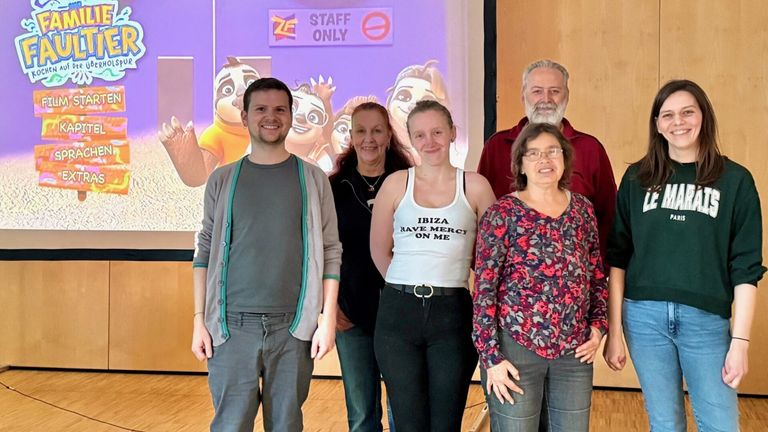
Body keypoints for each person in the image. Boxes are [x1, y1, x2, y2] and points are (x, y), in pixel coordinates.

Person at [603, 79, 766, 431]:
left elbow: (746, 268)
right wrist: (614, 330)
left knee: (720, 424)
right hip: (643, 319)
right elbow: (617, 258)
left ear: (704, 116)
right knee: (664, 423)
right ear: (657, 124)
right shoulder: (637, 178)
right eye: (668, 115)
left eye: (688, 112)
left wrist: (740, 342)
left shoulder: (735, 180)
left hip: (706, 322)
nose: (679, 122)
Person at [191, 77, 342, 432]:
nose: (270, 117)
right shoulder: (222, 179)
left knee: (287, 425)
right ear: (244, 116)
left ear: (290, 116)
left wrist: (327, 318)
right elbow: (205, 249)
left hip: (293, 328)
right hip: (229, 328)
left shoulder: (314, 178)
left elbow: (331, 250)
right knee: (230, 424)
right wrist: (199, 318)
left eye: (279, 109)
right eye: (260, 109)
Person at [370, 100, 496, 431]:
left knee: (445, 422)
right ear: (411, 139)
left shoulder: (477, 186)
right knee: (409, 423)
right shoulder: (396, 183)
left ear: (453, 133)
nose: (431, 141)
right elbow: (379, 249)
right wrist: (406, 288)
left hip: (452, 314)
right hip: (398, 315)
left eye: (438, 131)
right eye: (421, 134)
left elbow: (493, 259)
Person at [472, 122, 608, 431]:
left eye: (552, 152)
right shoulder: (502, 213)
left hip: (574, 353)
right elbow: (483, 290)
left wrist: (599, 328)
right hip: (514, 351)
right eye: (533, 154)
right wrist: (490, 358)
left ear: (564, 158)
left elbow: (596, 277)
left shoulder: (582, 211)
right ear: (520, 163)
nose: (544, 160)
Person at [477, 59, 616, 260]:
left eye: (554, 91)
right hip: (512, 282)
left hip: (574, 278)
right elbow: (482, 217)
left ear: (566, 97)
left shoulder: (590, 148)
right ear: (523, 97)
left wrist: (591, 268)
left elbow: (608, 217)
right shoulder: (497, 146)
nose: (546, 99)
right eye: (537, 91)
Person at [329, 102, 411, 432]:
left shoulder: (410, 185)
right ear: (351, 136)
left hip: (402, 314)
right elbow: (322, 251)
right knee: (362, 414)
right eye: (361, 131)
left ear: (389, 135)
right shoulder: (333, 188)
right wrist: (331, 307)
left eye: (377, 130)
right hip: (351, 314)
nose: (369, 139)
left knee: (404, 409)